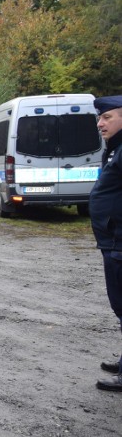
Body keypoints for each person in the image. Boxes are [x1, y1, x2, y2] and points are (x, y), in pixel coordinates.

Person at [89, 94, 122, 393]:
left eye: (107, 117)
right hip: (113, 241)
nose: (100, 123)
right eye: (100, 118)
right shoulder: (115, 149)